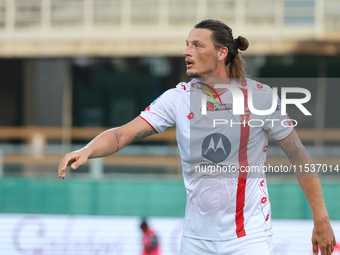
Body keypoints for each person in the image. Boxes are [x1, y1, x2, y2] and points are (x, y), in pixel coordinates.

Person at [58, 19, 335, 255]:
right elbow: (121, 135)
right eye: (187, 44)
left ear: (221, 53)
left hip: (249, 238)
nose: (186, 51)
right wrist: (88, 150)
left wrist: (321, 218)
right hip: (195, 241)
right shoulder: (177, 98)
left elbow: (298, 154)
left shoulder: (259, 97)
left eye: (197, 45)